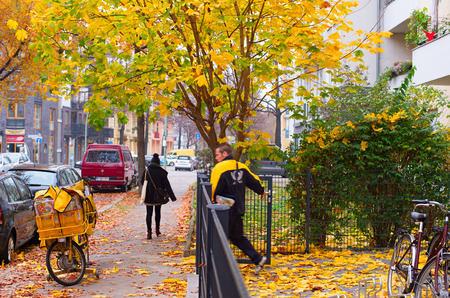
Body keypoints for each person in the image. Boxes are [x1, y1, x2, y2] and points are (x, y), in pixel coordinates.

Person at [210, 143, 267, 274]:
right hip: (237, 208)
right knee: (237, 237)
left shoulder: (219, 168)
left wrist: (210, 200)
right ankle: (257, 258)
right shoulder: (241, 166)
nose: (217, 158)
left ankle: (221, 268)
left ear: (225, 154)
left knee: (220, 236)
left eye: (218, 155)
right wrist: (261, 191)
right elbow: (254, 181)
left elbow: (212, 188)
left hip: (223, 209)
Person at [140, 153, 177, 239]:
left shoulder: (146, 171)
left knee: (148, 214)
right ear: (158, 162)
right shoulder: (161, 172)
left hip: (148, 196)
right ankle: (157, 230)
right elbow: (167, 185)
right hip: (158, 196)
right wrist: (172, 197)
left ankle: (149, 232)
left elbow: (142, 181)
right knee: (158, 213)